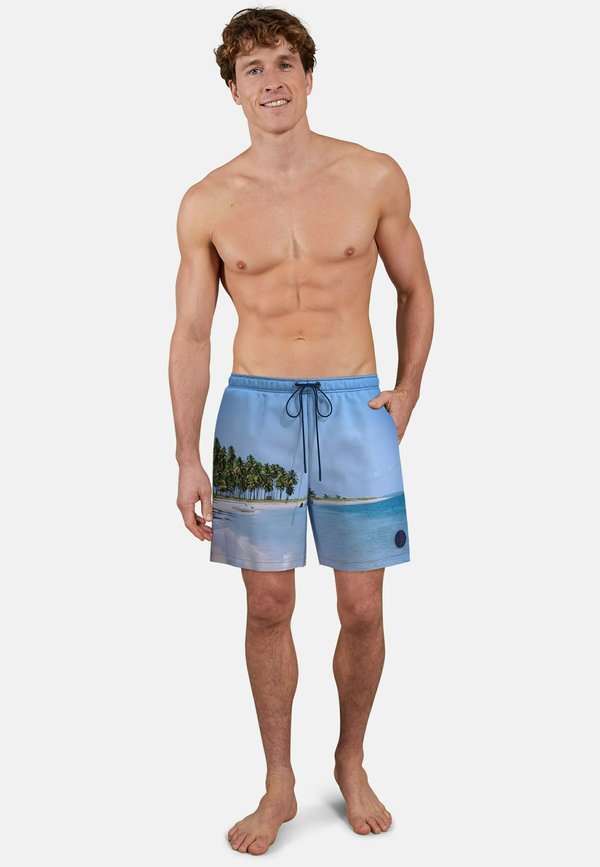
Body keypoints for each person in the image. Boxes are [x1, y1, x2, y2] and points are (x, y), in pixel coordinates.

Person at [168, 6, 434, 856]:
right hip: (254, 413)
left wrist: (408, 389)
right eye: (253, 69)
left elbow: (415, 288)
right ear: (233, 89)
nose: (272, 81)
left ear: (310, 76)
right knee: (267, 603)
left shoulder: (373, 175)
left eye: (285, 63)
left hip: (357, 408)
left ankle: (350, 760)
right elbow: (193, 334)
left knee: (363, 605)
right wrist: (186, 454)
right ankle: (279, 779)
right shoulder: (208, 200)